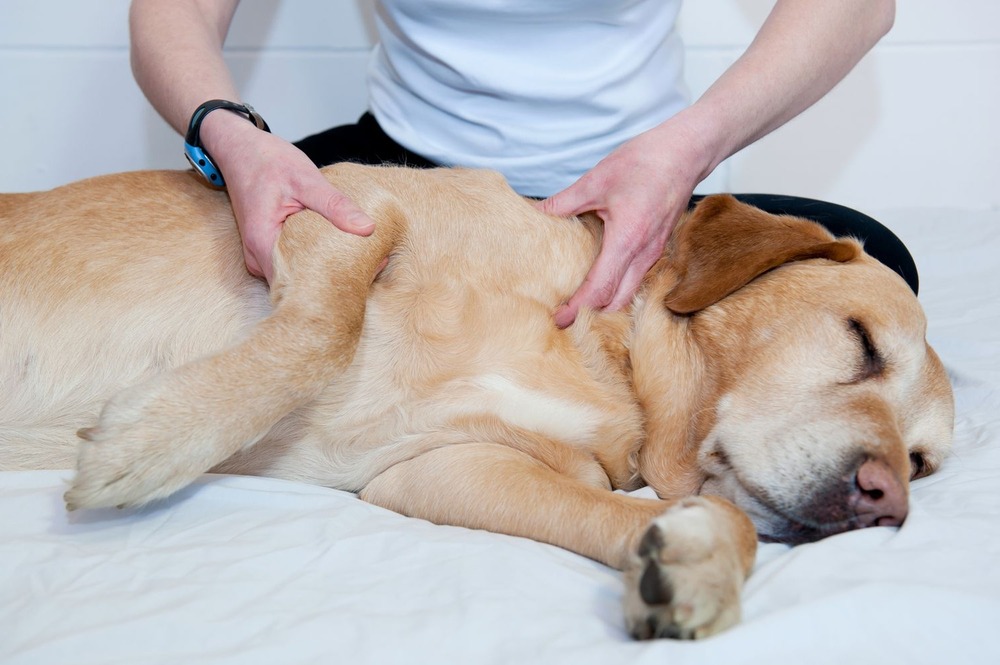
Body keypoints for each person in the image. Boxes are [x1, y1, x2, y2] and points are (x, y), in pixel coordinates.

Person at [129, 0, 915, 328]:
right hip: (412, 185)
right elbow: (174, 10)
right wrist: (230, 135)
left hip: (642, 196)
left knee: (874, 273)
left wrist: (691, 145)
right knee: (179, 267)